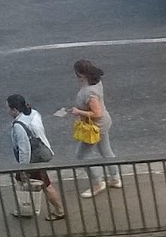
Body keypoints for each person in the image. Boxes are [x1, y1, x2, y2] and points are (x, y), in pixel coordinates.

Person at [67, 59, 121, 197]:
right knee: (106, 151)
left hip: (95, 127)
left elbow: (97, 113)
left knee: (82, 155)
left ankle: (98, 182)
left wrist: (78, 112)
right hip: (103, 123)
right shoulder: (96, 82)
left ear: (80, 74)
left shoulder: (88, 92)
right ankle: (115, 178)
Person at [8, 94, 65, 221]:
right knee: (23, 181)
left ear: (15, 110)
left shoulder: (19, 126)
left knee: (45, 185)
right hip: (40, 153)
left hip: (32, 161)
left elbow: (24, 149)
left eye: (8, 108)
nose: (7, 110)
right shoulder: (33, 113)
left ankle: (59, 211)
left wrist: (23, 168)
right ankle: (26, 207)